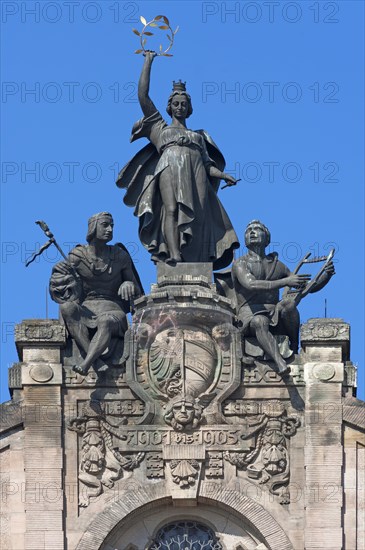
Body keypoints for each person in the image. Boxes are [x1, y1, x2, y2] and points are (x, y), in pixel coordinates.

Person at [117, 51, 239, 269]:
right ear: (170, 106)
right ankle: (173, 254)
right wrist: (148, 61)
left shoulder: (198, 136)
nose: (180, 107)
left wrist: (224, 175)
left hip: (196, 171)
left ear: (189, 108)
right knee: (170, 209)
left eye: (183, 104)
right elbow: (143, 96)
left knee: (199, 214)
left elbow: (208, 165)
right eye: (176, 103)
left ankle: (197, 258)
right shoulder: (159, 128)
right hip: (168, 167)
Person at [231, 220, 335, 375]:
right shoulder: (240, 264)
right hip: (249, 314)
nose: (252, 232)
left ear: (267, 239)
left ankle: (294, 345)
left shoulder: (278, 265)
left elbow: (304, 288)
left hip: (274, 312)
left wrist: (325, 275)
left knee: (289, 304)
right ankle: (280, 362)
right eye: (248, 230)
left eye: (257, 229)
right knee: (260, 321)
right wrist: (286, 281)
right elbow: (251, 284)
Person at [49, 212, 143, 375]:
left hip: (113, 310)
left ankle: (87, 363)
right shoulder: (77, 256)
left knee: (105, 321)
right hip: (86, 309)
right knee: (67, 308)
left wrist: (128, 284)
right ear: (93, 228)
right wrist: (58, 270)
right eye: (105, 225)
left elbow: (138, 292)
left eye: (112, 226)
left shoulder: (120, 255)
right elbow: (59, 288)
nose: (110, 229)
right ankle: (96, 360)